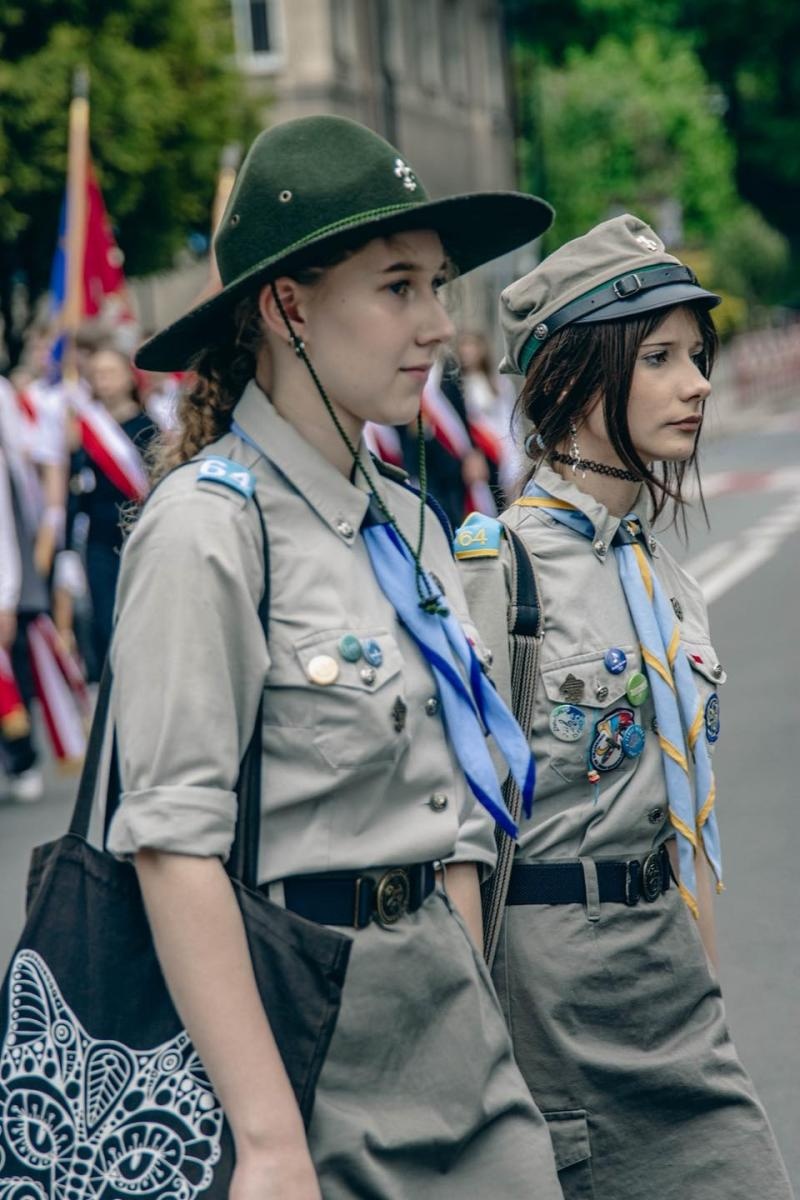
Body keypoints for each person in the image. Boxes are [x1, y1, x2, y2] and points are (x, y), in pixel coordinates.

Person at [106, 115, 563, 1199]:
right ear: (288, 307)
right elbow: (171, 844)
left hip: (453, 1030)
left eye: (437, 286)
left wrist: (462, 992)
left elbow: (456, 808)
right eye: (397, 287)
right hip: (303, 1035)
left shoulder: (408, 520)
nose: (438, 326)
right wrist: (266, 1139)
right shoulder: (207, 529)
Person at [455, 214, 794, 1199]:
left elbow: (682, 808)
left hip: (668, 977)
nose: (693, 383)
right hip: (553, 993)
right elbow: (464, 839)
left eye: (696, 355)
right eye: (657, 357)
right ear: (575, 373)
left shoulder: (662, 579)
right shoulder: (498, 572)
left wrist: (706, 980)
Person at [68, 346, 157, 672]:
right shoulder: (85, 428)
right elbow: (74, 490)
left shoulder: (148, 427)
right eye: (97, 374)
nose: (102, 381)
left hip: (141, 536)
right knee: (107, 621)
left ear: (128, 378)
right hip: (100, 539)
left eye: (110, 372)